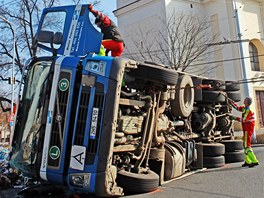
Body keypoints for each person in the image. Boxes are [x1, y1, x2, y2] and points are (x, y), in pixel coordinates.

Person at [229, 96, 259, 167]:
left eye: (245, 99)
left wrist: (234, 117)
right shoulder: (244, 109)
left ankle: (254, 160)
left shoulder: (248, 111)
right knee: (245, 145)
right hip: (245, 129)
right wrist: (232, 102)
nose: (244, 100)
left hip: (248, 130)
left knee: (247, 145)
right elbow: (238, 108)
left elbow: (244, 120)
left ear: (247, 102)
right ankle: (248, 161)